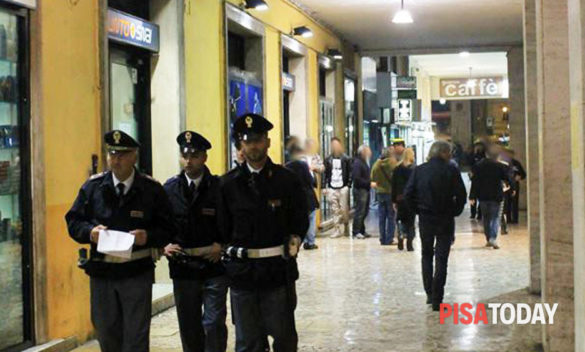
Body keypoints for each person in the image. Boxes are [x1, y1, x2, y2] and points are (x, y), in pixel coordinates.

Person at [65, 130, 174, 352]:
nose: (116, 159)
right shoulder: (93, 187)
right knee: (106, 334)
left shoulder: (151, 190)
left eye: (123, 154)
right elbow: (74, 221)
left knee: (135, 337)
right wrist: (90, 232)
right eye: (112, 154)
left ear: (134, 156)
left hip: (135, 272)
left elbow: (169, 227)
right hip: (102, 274)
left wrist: (148, 236)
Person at [217, 113, 308, 352]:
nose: (253, 146)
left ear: (267, 142)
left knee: (284, 339)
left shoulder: (286, 180)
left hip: (277, 272)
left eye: (258, 140)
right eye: (248, 141)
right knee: (248, 342)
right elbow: (222, 227)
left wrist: (296, 238)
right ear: (241, 145)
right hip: (243, 275)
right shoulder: (228, 184)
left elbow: (299, 218)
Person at [162, 131, 228, 352]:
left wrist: (223, 245)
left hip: (213, 267)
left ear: (204, 157)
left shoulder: (219, 188)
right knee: (189, 326)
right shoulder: (170, 189)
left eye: (194, 156)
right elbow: (160, 223)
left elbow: (232, 222)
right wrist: (163, 245)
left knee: (213, 323)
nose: (188, 161)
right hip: (183, 268)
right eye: (185, 155)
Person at [404, 141, 467, 311]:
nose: (451, 155)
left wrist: (418, 210)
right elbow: (461, 194)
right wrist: (455, 211)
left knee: (426, 255)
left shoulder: (419, 170)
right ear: (444, 153)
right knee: (441, 258)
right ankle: (438, 298)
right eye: (449, 152)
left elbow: (408, 194)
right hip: (445, 218)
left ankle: (429, 294)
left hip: (426, 218)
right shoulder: (451, 170)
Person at [469, 145, 515, 249]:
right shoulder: (499, 166)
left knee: (486, 218)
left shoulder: (478, 166)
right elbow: (507, 178)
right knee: (495, 217)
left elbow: (475, 182)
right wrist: (512, 188)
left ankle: (488, 237)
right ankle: (492, 238)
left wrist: (472, 196)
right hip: (496, 195)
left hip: (483, 196)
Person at [286, 142, 320, 250]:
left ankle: (303, 240)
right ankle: (310, 242)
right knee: (311, 218)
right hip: (307, 196)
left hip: (295, 198)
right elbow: (310, 180)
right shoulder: (303, 165)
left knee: (301, 218)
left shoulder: (287, 166)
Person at [322, 137, 352, 238]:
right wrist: (324, 186)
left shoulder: (346, 159)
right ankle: (337, 229)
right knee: (334, 209)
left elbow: (350, 172)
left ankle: (346, 224)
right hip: (332, 187)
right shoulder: (327, 159)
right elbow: (325, 173)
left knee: (343, 209)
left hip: (343, 187)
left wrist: (348, 185)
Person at [370, 147, 397, 245]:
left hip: (380, 193)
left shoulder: (377, 164)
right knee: (391, 216)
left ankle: (382, 238)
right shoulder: (393, 164)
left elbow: (372, 178)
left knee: (382, 217)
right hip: (390, 193)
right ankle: (389, 238)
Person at [392, 148, 416, 251]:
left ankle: (400, 238)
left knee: (400, 219)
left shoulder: (397, 168)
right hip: (411, 198)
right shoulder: (414, 169)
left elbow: (394, 185)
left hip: (400, 198)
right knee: (411, 222)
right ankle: (409, 245)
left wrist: (393, 200)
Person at [352, 145, 373, 239]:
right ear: (363, 152)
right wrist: (369, 183)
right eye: (368, 151)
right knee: (360, 211)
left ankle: (362, 230)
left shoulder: (364, 162)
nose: (370, 153)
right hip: (360, 190)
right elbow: (357, 179)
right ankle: (356, 231)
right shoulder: (358, 163)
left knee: (364, 211)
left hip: (365, 189)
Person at [502, 148, 526, 224]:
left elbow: (523, 174)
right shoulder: (503, 164)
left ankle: (515, 219)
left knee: (515, 202)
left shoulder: (517, 164)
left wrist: (520, 177)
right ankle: (507, 219)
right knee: (506, 202)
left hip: (515, 185)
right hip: (506, 185)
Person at [469, 140, 486, 220]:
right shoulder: (473, 156)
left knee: (481, 197)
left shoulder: (484, 157)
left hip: (482, 179)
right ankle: (472, 213)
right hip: (474, 179)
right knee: (473, 196)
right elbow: (470, 165)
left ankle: (480, 213)